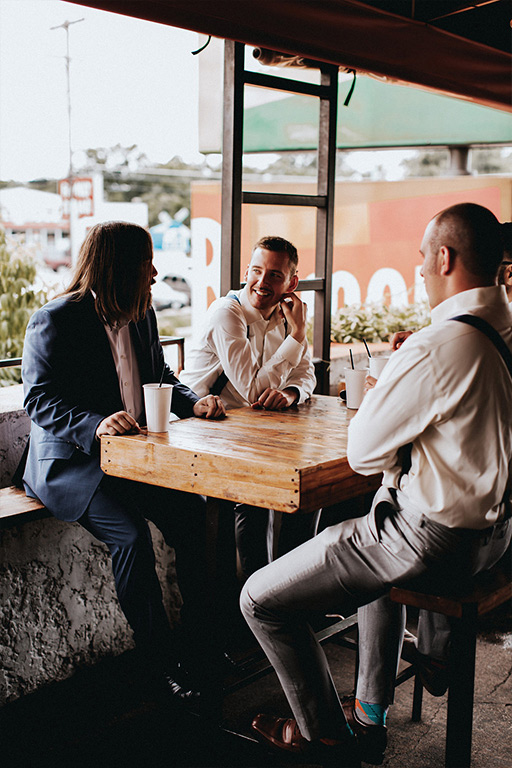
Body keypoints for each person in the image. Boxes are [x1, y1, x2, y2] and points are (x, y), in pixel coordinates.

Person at [240, 203, 512, 767]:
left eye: (420, 258)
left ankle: (326, 735)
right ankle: (384, 699)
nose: (417, 270)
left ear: (444, 257)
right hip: (495, 535)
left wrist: (394, 376)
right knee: (366, 557)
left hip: (429, 538)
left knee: (260, 598)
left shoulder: (441, 344)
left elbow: (364, 453)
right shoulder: (502, 332)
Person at [18, 221, 225, 706]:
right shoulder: (55, 319)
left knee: (193, 517)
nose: (154, 272)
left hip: (135, 462)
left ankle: (203, 645)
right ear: (118, 267)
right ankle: (160, 663)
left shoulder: (142, 312)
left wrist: (192, 401)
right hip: (73, 464)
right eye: (145, 261)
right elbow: (39, 399)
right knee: (129, 535)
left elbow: (161, 374)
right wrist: (94, 424)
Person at [181, 236, 317, 578]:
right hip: (199, 429)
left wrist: (290, 395)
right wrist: (298, 337)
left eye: (274, 275)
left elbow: (306, 374)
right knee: (255, 498)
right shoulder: (228, 311)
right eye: (256, 271)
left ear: (291, 283)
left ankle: (291, 592)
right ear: (246, 272)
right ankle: (258, 599)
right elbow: (252, 388)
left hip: (248, 430)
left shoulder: (287, 317)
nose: (262, 282)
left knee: (309, 494)